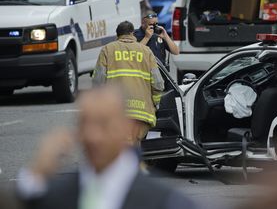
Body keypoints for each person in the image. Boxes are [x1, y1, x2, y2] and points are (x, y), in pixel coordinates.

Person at [16, 86, 198, 209]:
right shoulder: (55, 195)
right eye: (84, 124)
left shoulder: (166, 202)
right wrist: (37, 172)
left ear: (127, 127)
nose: (92, 136)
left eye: (103, 124)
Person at [93, 21, 164, 145]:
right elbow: (158, 83)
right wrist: (156, 103)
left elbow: (98, 82)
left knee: (121, 149)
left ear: (117, 35)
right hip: (142, 113)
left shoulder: (107, 50)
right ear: (133, 33)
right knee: (133, 148)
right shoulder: (146, 51)